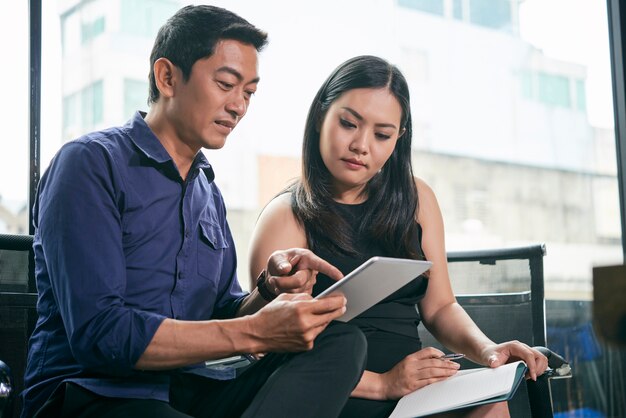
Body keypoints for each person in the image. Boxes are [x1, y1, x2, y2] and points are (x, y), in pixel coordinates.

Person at [21, 6, 368, 418]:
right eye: (226, 84)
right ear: (167, 77)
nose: (239, 106)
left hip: (188, 391)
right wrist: (256, 331)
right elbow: (101, 335)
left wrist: (270, 291)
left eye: (249, 93)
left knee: (342, 343)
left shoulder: (208, 192)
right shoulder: (89, 164)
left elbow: (223, 311)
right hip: (91, 394)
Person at [248, 55, 549, 418]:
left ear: (398, 138)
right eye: (348, 124)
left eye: (382, 134)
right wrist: (385, 383)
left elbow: (439, 307)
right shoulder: (285, 216)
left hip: (414, 385)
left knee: (490, 407)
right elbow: (277, 350)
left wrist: (488, 350)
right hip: (338, 390)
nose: (361, 145)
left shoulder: (417, 199)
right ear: (319, 119)